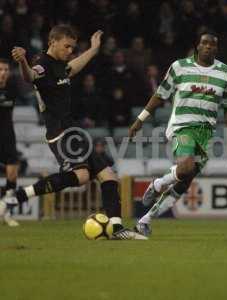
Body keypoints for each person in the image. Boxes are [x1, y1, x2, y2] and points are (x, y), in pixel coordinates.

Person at [7, 25, 146, 240]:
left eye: (72, 47)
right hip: (60, 132)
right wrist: (22, 61)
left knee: (109, 176)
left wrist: (93, 49)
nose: (70, 50)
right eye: (67, 46)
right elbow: (30, 77)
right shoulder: (42, 64)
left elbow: (72, 67)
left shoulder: (60, 65)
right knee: (81, 176)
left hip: (73, 130)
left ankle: (118, 229)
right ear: (52, 41)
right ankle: (20, 195)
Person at [128, 32, 227, 236]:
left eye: (212, 44)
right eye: (204, 43)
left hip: (206, 132)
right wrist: (140, 120)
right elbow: (160, 95)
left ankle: (145, 220)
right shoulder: (179, 67)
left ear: (216, 49)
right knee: (185, 166)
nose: (208, 47)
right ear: (197, 46)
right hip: (182, 125)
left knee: (186, 179)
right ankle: (158, 183)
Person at [0, 58, 20, 227]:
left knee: (13, 174)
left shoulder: (12, 88)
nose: (4, 73)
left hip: (7, 135)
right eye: (0, 69)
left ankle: (6, 212)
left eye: (6, 70)